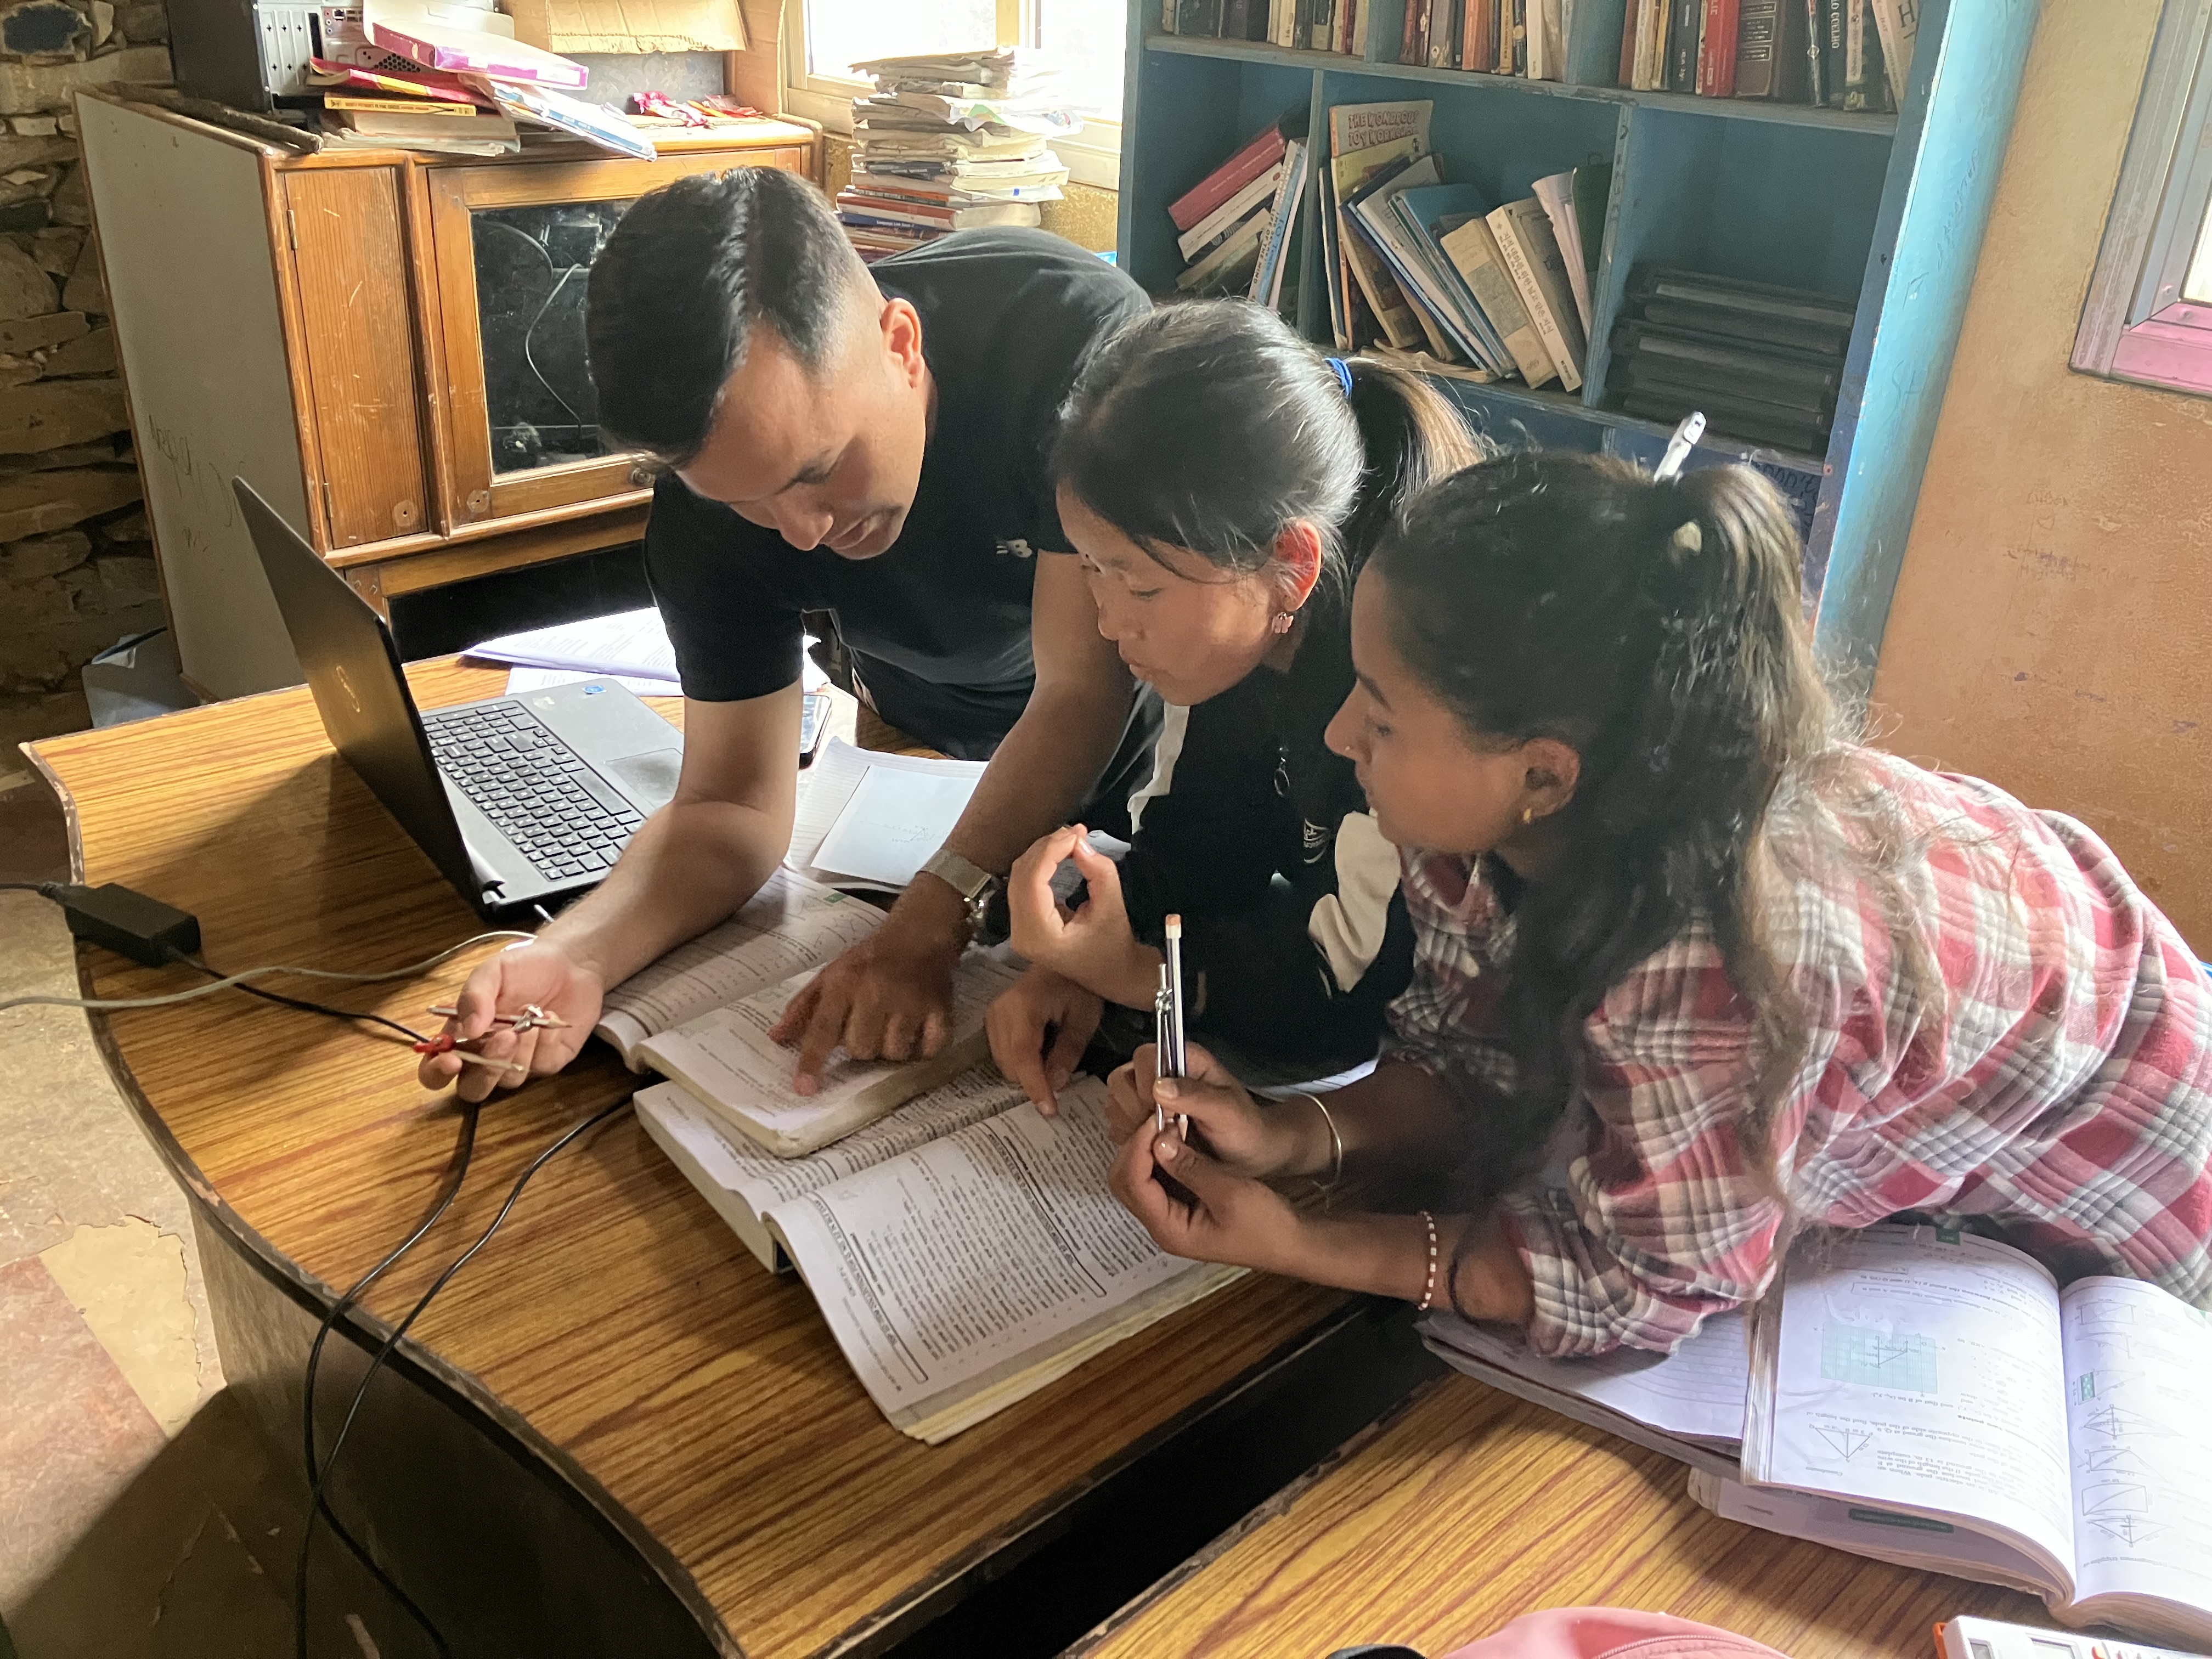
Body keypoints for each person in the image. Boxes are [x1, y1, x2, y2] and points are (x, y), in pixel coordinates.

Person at [1103, 452, 2212, 1355]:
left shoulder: (1722, 960)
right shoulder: (1479, 829)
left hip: (2135, 1162)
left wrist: (1299, 1245)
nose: (1340, 734)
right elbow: (1469, 1063)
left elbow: (1631, 1287)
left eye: (1382, 718)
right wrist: (1296, 1136)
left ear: (1545, 775)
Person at [418, 168, 1158, 1100]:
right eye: (750, 501)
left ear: (901, 345)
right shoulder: (704, 513)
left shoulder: (1075, 351)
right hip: (913, 717)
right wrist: (577, 954)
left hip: (1126, 732)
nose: (804, 533)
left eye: (819, 469)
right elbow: (731, 803)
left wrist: (935, 915)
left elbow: (1081, 691)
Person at [985, 302, 1485, 1111]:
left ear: (1290, 566)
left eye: (1142, 587)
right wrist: (1081, 954)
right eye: (1092, 571)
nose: (1108, 624)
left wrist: (1138, 976)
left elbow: (1354, 993)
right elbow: (1194, 845)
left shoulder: (1396, 700)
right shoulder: (1231, 650)